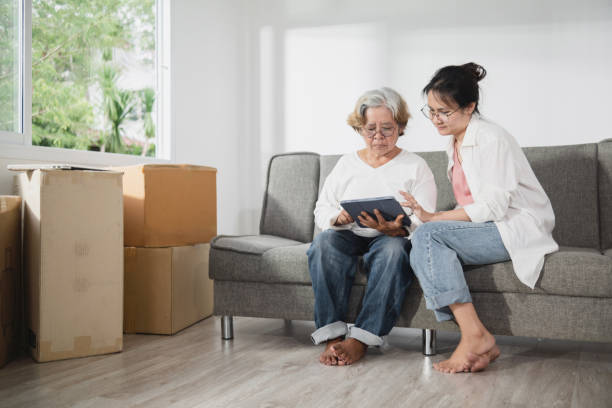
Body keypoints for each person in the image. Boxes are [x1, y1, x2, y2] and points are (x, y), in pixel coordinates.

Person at [401, 63, 559, 373]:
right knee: (418, 237)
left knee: (427, 235)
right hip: (489, 226)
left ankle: (475, 336)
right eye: (431, 111)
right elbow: (473, 205)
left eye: (444, 112)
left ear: (470, 106)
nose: (436, 119)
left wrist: (435, 218)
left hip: (515, 226)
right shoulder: (455, 141)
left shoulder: (489, 138)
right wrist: (428, 216)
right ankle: (476, 337)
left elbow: (496, 206)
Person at [307, 87, 437, 366]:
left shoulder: (416, 166)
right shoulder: (346, 164)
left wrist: (399, 228)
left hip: (391, 237)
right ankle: (333, 336)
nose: (378, 136)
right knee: (323, 243)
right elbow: (323, 208)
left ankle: (361, 339)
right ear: (359, 128)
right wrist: (338, 218)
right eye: (370, 129)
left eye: (387, 129)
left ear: (400, 127)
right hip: (350, 234)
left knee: (392, 251)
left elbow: (426, 217)